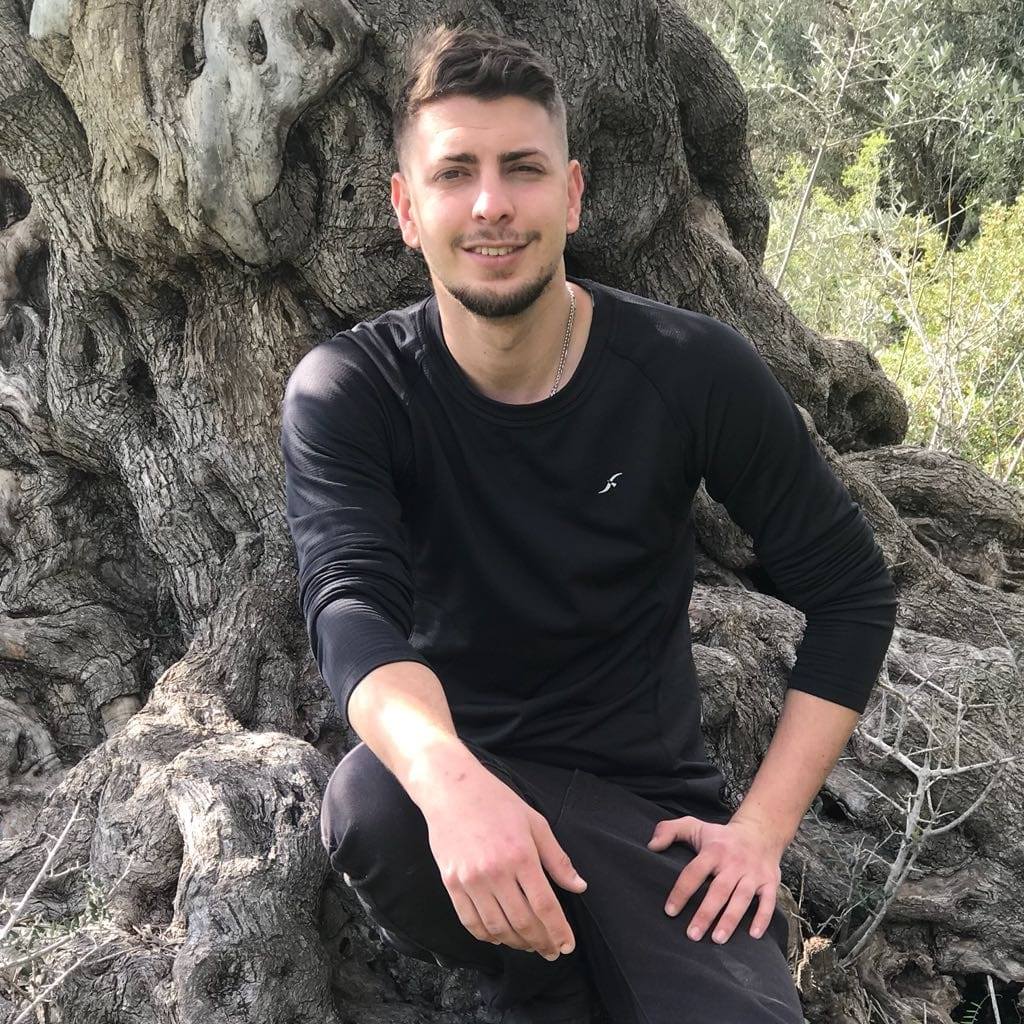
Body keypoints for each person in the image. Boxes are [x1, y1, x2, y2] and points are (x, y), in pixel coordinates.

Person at [280, 23, 898, 1024]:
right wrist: (450, 781)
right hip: (464, 796)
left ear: (571, 195)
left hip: (650, 817)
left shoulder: (687, 369)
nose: (490, 204)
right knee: (371, 801)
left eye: (522, 169)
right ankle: (544, 981)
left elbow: (850, 590)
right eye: (455, 173)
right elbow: (351, 608)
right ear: (405, 207)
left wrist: (759, 832)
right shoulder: (351, 391)